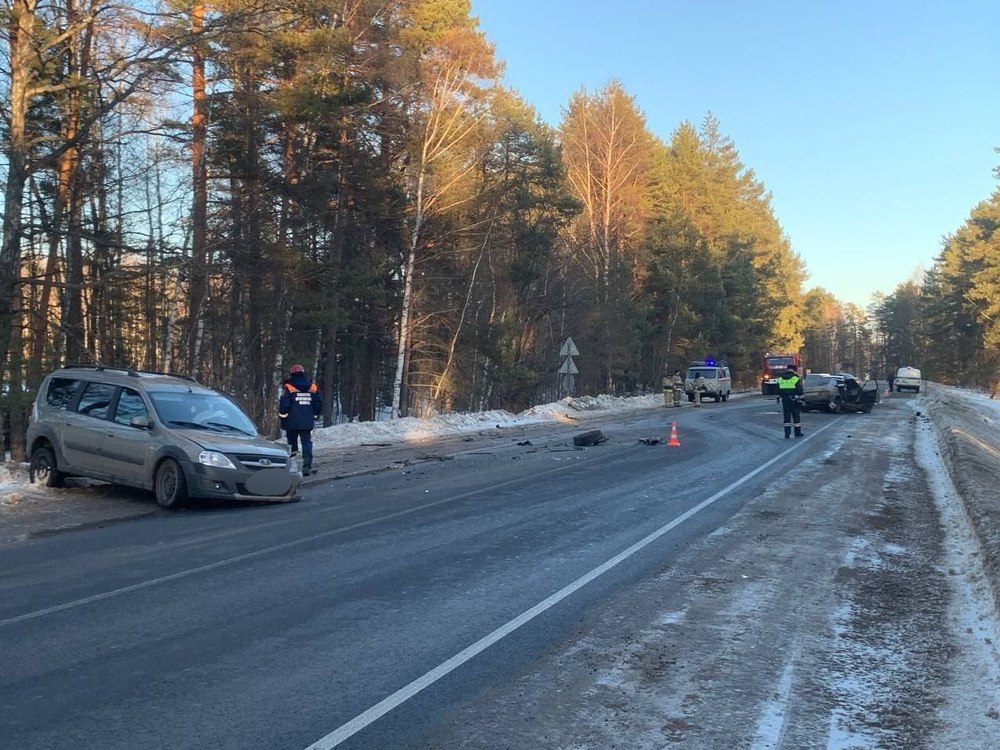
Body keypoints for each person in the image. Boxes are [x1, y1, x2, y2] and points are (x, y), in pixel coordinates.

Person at [278, 363, 322, 475]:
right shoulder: (312, 387)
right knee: (306, 441)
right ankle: (307, 464)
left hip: (291, 421)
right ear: (303, 373)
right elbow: (318, 404)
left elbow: (284, 404)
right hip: (307, 420)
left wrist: (282, 417)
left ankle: (291, 465)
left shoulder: (288, 386)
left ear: (292, 374)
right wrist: (314, 414)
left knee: (291, 443)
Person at [776, 364, 804, 438]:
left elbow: (777, 390)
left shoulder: (780, 378)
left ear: (787, 369)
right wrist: (802, 399)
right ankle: (797, 433)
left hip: (785, 400)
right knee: (796, 416)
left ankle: (787, 434)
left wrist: (778, 398)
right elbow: (800, 390)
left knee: (786, 417)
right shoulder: (795, 378)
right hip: (794, 399)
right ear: (794, 370)